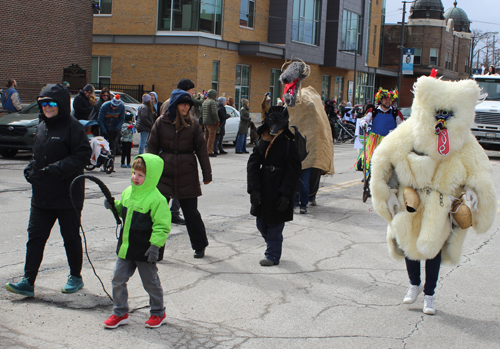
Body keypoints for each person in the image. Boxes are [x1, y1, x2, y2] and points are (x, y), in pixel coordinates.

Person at [5, 84, 91, 297]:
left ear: (61, 104)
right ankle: (28, 281)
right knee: (35, 237)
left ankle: (75, 276)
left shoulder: (74, 127)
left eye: (52, 102)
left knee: (70, 236)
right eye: (43, 103)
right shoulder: (42, 126)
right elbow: (38, 155)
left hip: (67, 195)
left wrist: (54, 170)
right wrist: (31, 168)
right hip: (42, 195)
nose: (47, 107)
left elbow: (82, 156)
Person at [102, 154, 171, 329]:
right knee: (118, 279)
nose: (135, 177)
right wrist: (113, 205)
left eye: (141, 175)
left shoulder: (157, 199)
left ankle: (158, 313)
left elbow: (162, 226)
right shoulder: (127, 192)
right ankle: (120, 312)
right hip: (126, 247)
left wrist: (155, 246)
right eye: (134, 173)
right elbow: (122, 212)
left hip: (146, 250)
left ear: (151, 176)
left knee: (150, 282)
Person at [148, 89, 212, 259]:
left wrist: (207, 174)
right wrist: (149, 173)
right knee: (159, 214)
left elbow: (201, 150)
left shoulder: (193, 124)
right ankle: (156, 250)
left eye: (188, 104)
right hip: (165, 172)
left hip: (187, 172)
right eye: (183, 104)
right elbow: (152, 148)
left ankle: (200, 246)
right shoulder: (161, 122)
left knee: (191, 212)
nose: (186, 107)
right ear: (175, 105)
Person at [247, 106, 301, 266]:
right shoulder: (262, 139)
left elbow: (293, 170)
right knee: (261, 223)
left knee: (275, 225)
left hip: (280, 186)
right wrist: (254, 189)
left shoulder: (289, 143)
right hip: (263, 185)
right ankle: (273, 243)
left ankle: (272, 254)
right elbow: (253, 165)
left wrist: (286, 194)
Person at [356, 89, 403, 180]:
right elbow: (365, 119)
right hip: (375, 140)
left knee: (389, 161)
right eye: (385, 99)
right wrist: (364, 123)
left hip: (389, 141)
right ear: (380, 100)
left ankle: (388, 178)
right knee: (369, 159)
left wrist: (396, 131)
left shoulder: (395, 112)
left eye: (390, 99)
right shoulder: (373, 111)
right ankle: (368, 175)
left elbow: (401, 126)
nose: (388, 101)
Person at [202, 89, 219, 157]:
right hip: (211, 122)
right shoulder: (212, 102)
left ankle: (205, 150)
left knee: (206, 137)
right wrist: (217, 120)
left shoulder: (205, 102)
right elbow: (214, 113)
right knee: (211, 138)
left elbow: (202, 112)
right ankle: (209, 151)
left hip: (205, 121)